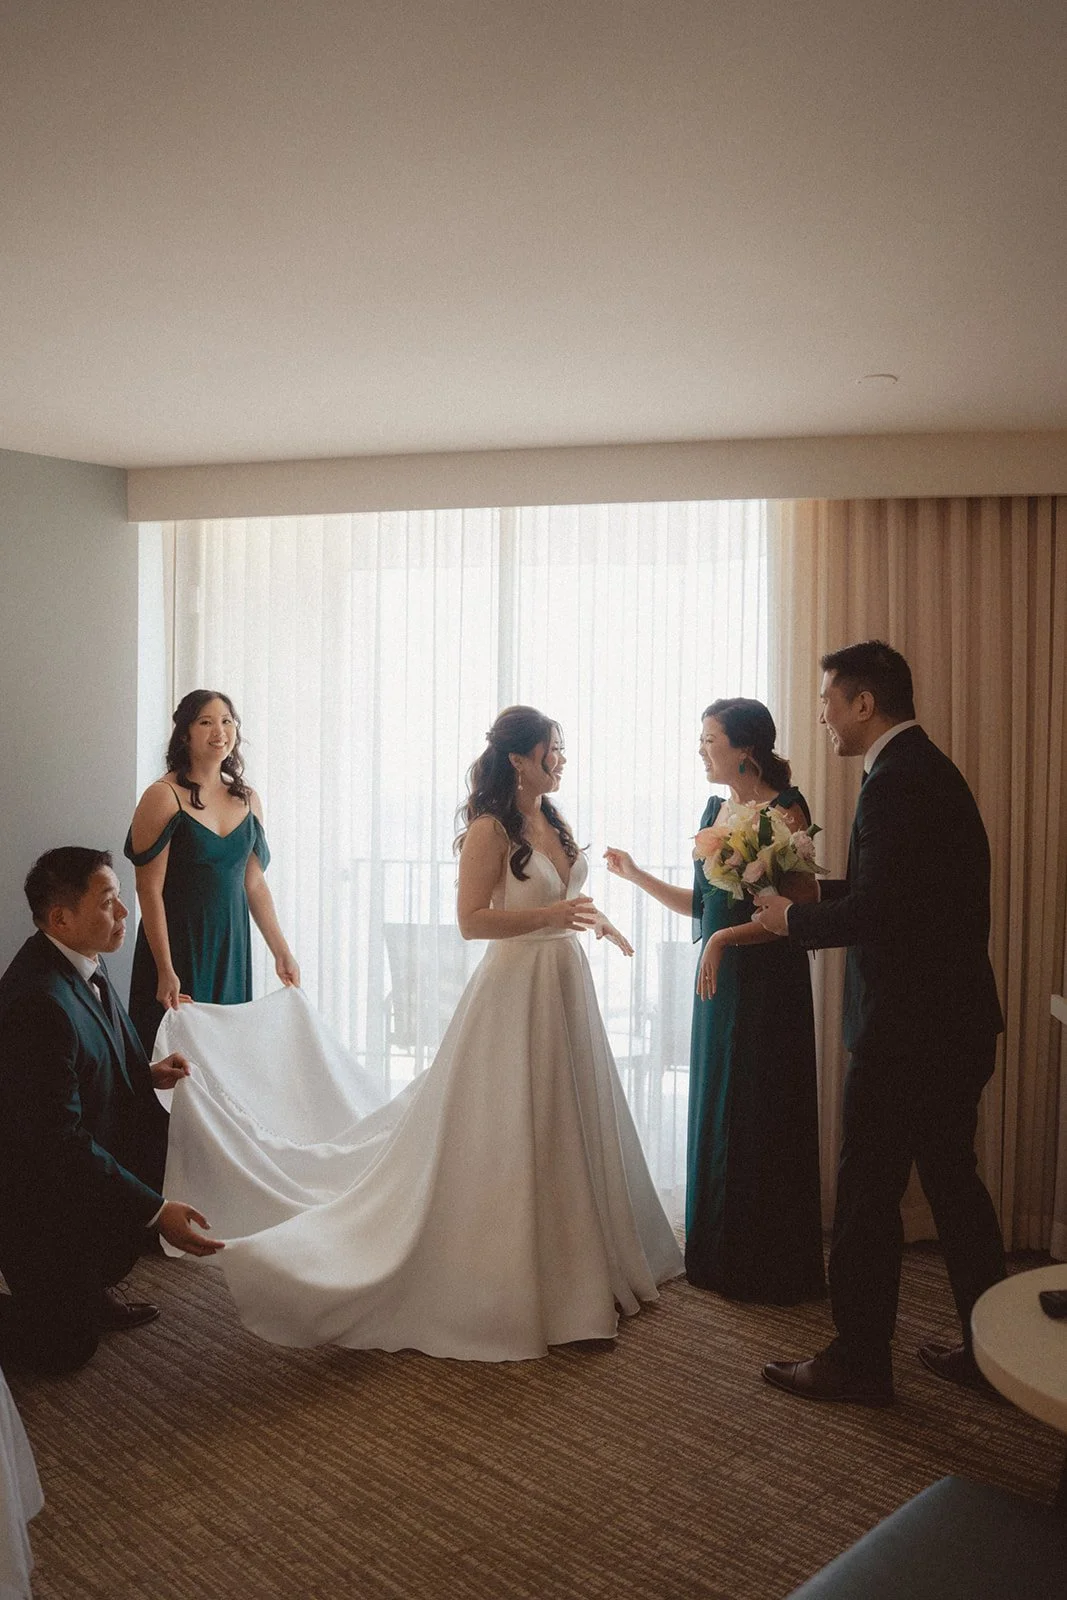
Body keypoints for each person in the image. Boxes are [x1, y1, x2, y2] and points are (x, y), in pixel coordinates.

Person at [156, 706, 683, 1360]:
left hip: (563, 981)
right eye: (553, 749)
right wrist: (554, 913)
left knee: (566, 1117)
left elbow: (560, 901)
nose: (562, 760)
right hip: (514, 989)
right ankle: (524, 1283)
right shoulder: (490, 830)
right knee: (517, 1124)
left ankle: (584, 1271)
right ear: (519, 758)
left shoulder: (552, 821)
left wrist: (591, 919)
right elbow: (471, 921)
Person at [755, 642, 1006, 1405]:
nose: (823, 714)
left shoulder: (897, 783)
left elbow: (885, 912)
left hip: (908, 1033)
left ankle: (859, 1361)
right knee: (954, 1189)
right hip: (949, 1025)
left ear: (864, 703)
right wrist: (806, 888)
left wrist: (792, 919)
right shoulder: (920, 771)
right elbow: (897, 890)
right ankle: (993, 1350)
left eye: (829, 699)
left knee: (865, 1197)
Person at [605, 698, 825, 1304]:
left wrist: (727, 939)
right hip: (720, 983)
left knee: (762, 1106)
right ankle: (717, 1255)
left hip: (768, 984)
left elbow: (802, 907)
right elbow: (704, 908)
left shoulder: (788, 809)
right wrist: (637, 875)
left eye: (710, 740)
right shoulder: (713, 811)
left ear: (745, 749)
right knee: (717, 1103)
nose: (702, 750)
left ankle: (768, 1264)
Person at [0, 849, 223, 1375]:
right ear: (61, 918)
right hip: (35, 1198)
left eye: (121, 898)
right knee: (64, 1350)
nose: (125, 914)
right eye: (109, 902)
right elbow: (57, 1139)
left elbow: (83, 1065)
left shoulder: (83, 964)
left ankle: (83, 1285)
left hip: (68, 1177)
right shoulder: (37, 1000)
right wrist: (154, 1210)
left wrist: (146, 1074)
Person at [125, 689, 299, 1052]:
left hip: (230, 943)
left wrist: (280, 950)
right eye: (206, 722)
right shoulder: (162, 795)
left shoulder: (247, 798)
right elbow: (148, 890)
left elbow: (253, 883)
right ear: (185, 733)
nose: (219, 731)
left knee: (225, 1057)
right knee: (175, 1054)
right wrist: (164, 968)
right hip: (179, 944)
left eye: (227, 721)